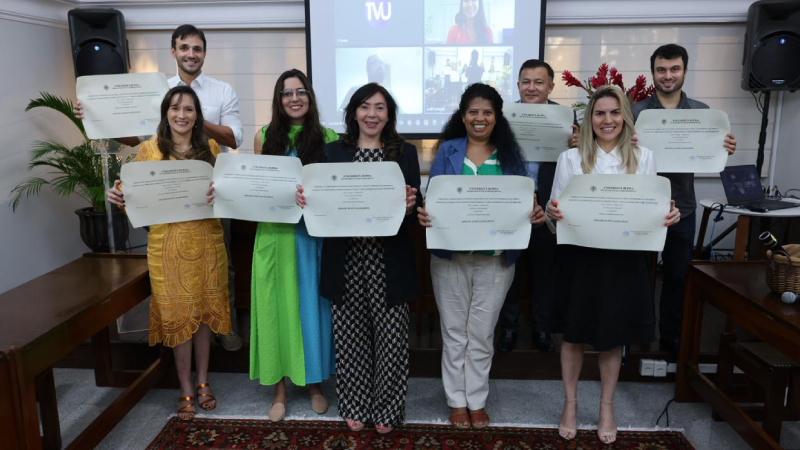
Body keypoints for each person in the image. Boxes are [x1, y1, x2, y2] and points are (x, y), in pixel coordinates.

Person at [77, 25, 244, 352]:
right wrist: (94, 118)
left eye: (197, 48)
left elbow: (233, 138)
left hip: (210, 196)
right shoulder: (157, 90)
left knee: (222, 266)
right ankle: (183, 329)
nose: (190, 54)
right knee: (176, 270)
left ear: (204, 53)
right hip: (166, 197)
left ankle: (226, 328)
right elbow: (139, 138)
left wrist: (190, 114)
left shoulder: (223, 91)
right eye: (184, 48)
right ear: (173, 52)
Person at [542, 85, 681, 444]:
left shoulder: (644, 157)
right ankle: (570, 403)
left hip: (623, 259)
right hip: (579, 257)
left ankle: (607, 406)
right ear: (590, 118)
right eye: (600, 113)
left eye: (615, 112)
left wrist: (669, 215)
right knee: (572, 335)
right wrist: (553, 213)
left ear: (625, 117)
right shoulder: (569, 159)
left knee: (612, 336)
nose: (608, 120)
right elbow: (555, 218)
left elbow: (652, 210)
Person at [417, 83, 546, 429]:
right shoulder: (447, 151)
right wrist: (426, 213)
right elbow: (436, 198)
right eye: (473, 111)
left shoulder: (509, 155)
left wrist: (533, 214)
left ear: (496, 117)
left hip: (495, 259)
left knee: (481, 333)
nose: (480, 118)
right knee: (454, 332)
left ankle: (477, 399)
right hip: (450, 258)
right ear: (462, 116)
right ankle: (456, 401)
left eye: (487, 112)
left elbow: (523, 203)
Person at [212, 69, 338, 421]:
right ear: (278, 100)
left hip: (310, 236)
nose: (294, 98)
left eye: (300, 92)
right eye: (286, 93)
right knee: (274, 310)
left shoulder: (327, 136)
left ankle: (313, 383)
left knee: (311, 308)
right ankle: (280, 388)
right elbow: (255, 186)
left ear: (309, 97)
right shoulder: (264, 135)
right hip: (273, 235)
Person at [297, 83, 421, 434]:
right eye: (365, 107)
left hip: (389, 258)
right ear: (353, 112)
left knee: (392, 338)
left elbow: (415, 203)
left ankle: (387, 408)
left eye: (380, 108)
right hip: (346, 258)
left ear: (389, 114)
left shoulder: (404, 153)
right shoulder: (332, 152)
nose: (372, 114)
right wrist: (306, 199)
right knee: (350, 336)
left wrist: (413, 205)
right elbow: (317, 198)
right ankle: (354, 404)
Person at [106, 85, 232, 420]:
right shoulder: (148, 150)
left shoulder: (213, 149)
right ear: (166, 113)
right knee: (179, 318)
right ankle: (185, 387)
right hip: (167, 247)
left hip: (207, 243)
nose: (181, 115)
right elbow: (132, 196)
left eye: (188, 109)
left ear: (197, 116)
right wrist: (118, 196)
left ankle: (203, 380)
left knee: (204, 315)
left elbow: (229, 196)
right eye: (175, 108)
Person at [631, 44, 737, 357]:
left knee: (676, 276)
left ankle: (670, 338)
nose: (668, 76)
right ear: (653, 72)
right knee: (637, 275)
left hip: (684, 206)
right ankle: (636, 333)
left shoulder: (704, 114)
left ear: (685, 72)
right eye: (661, 70)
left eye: (674, 69)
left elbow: (709, 158)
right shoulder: (635, 112)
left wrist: (724, 147)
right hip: (641, 205)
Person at [496, 60, 580, 354]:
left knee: (545, 274)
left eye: (539, 82)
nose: (532, 87)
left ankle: (541, 330)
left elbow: (579, 165)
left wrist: (578, 144)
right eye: (525, 81)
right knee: (509, 271)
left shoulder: (565, 120)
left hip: (549, 209)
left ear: (550, 87)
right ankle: (507, 328)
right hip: (509, 208)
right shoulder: (503, 118)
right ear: (518, 85)